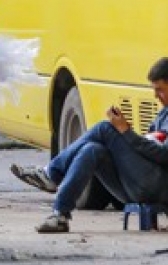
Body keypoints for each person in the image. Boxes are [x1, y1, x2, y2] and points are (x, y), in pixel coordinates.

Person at [12, 57, 168, 233]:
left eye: (160, 90)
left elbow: (164, 154)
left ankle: (52, 174)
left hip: (158, 185)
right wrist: (126, 137)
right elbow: (149, 143)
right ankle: (60, 215)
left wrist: (125, 132)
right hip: (140, 184)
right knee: (92, 150)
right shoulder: (163, 113)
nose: (156, 96)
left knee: (105, 128)